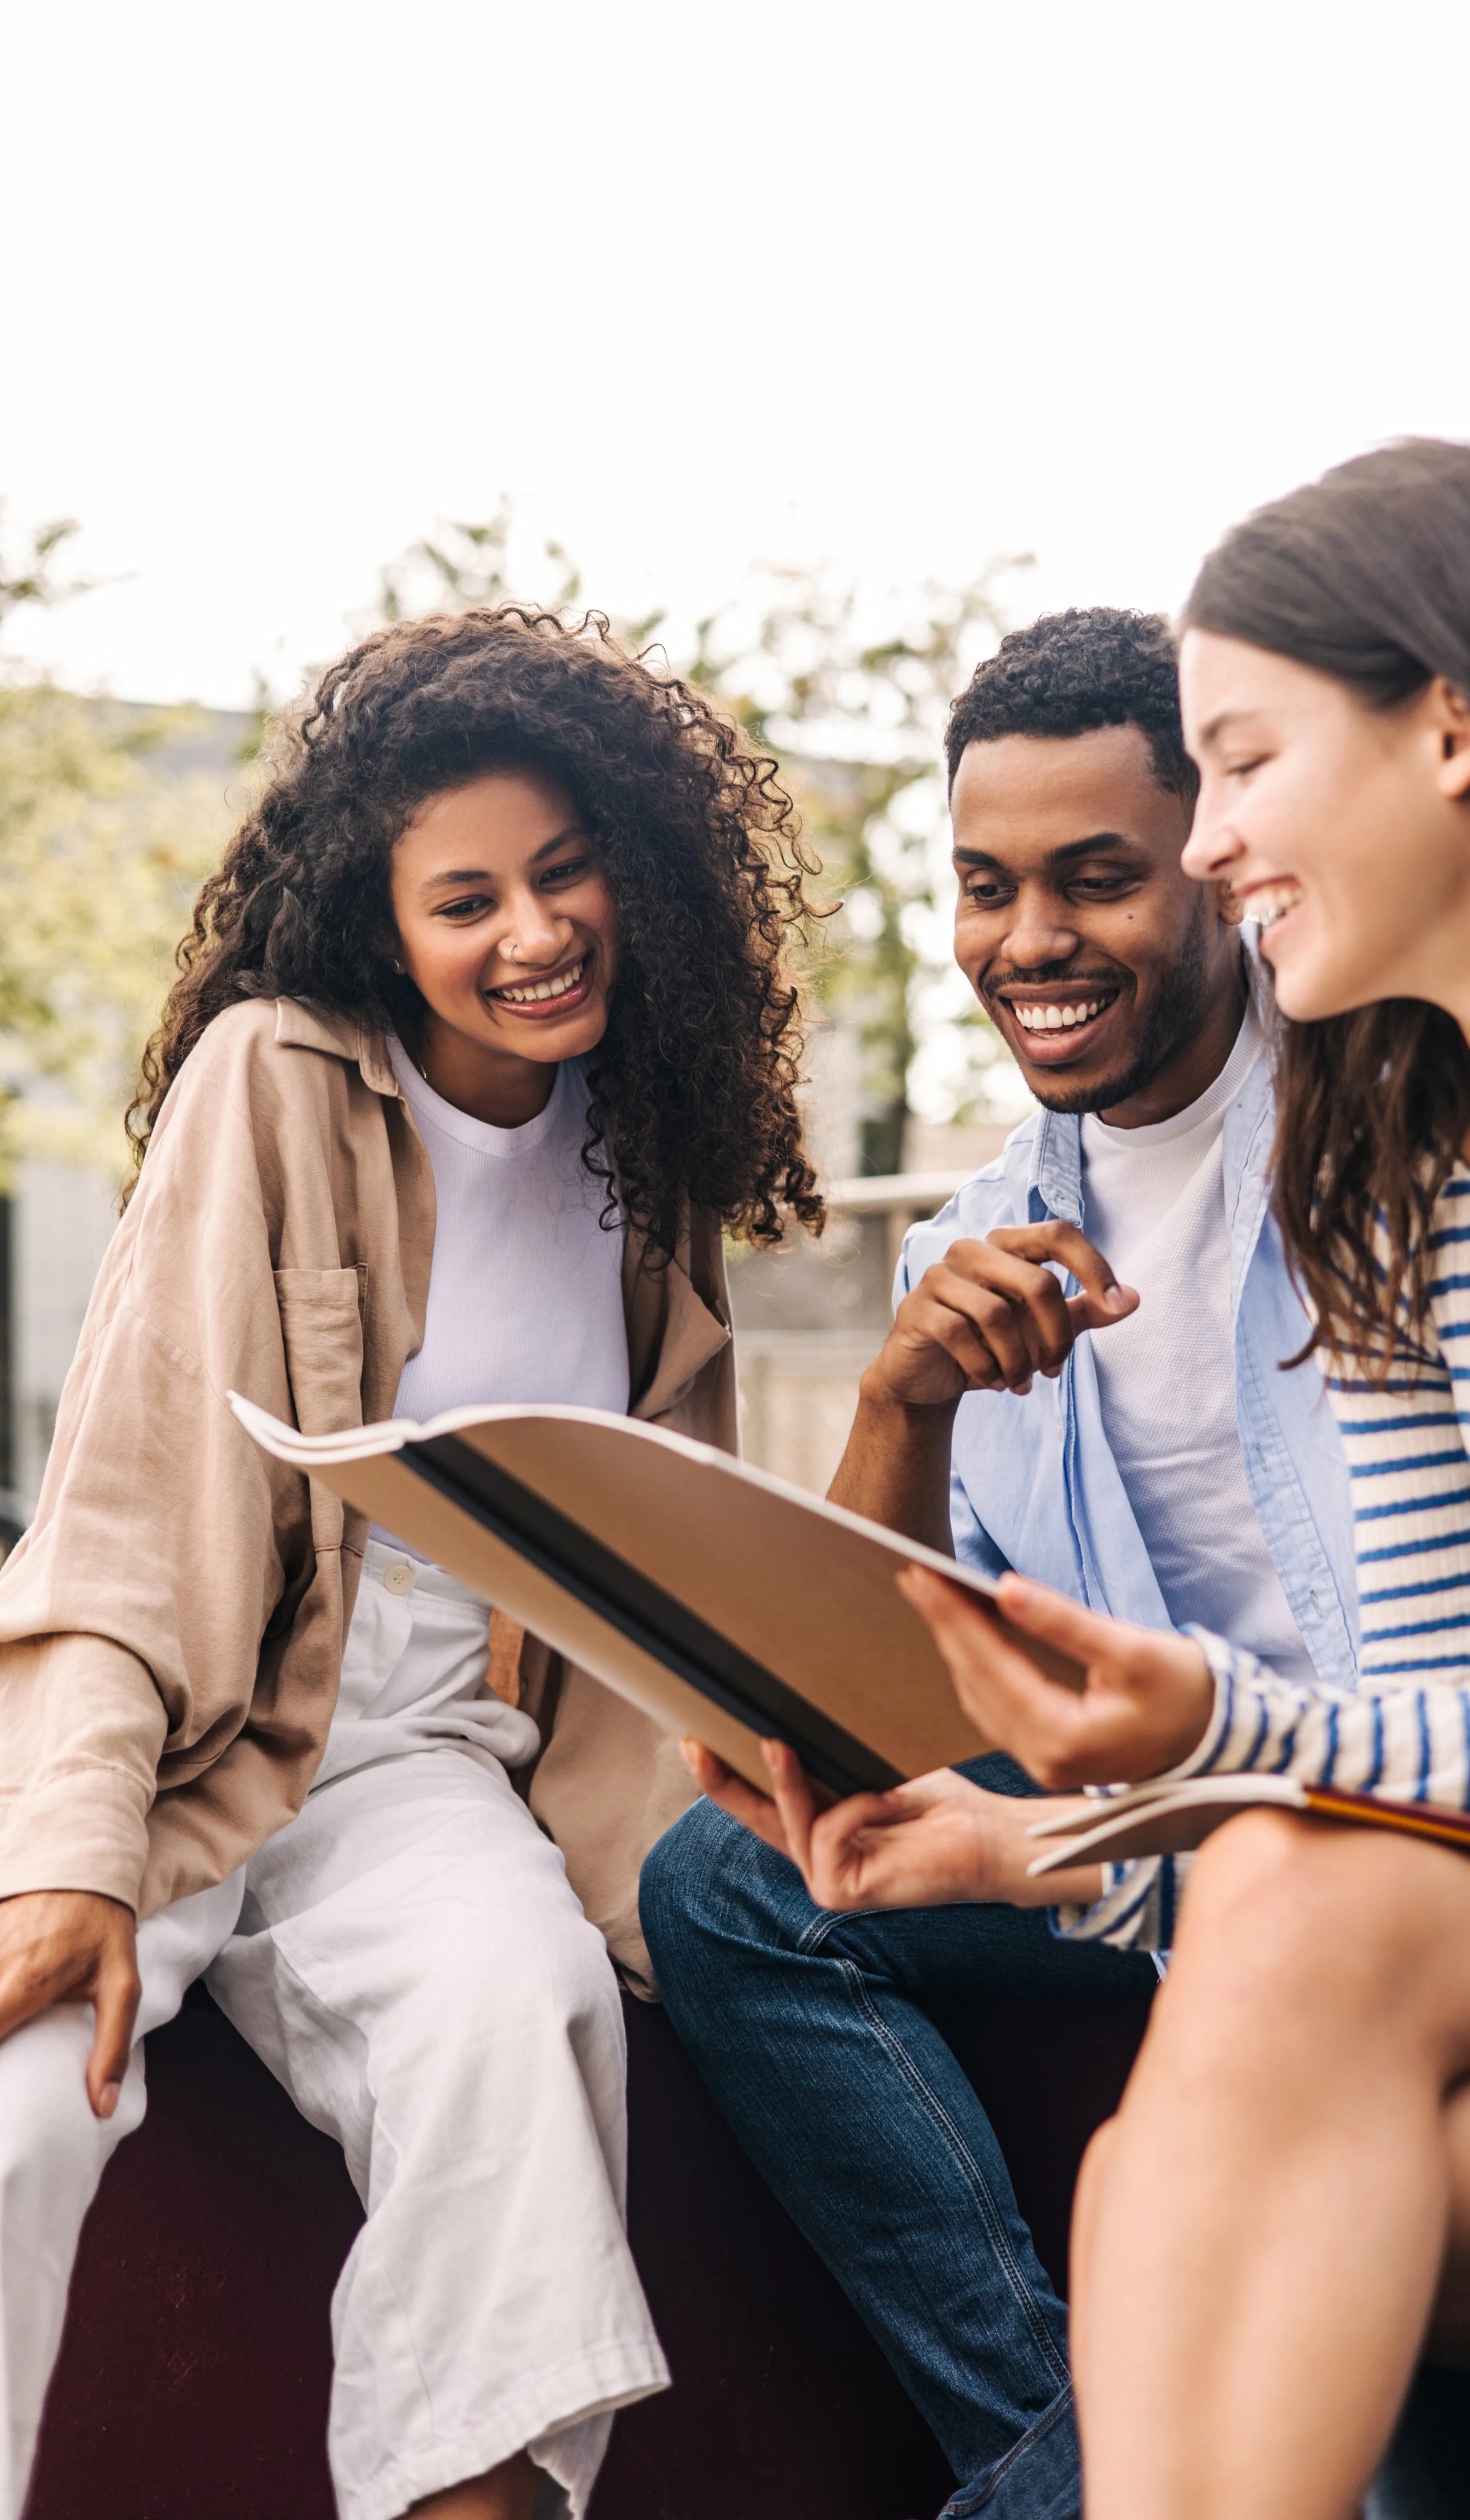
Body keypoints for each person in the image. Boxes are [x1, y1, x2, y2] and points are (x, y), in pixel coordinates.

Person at [742, 443, 1470, 2517]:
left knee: (1304, 2177)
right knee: (1257, 1894)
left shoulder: (1343, 1146)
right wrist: (1068, 1844)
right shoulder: (1406, 1172)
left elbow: (1379, 1739)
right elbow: (1420, 1764)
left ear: (1453, 727)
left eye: (1239, 766)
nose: (1221, 834)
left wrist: (1202, 1743)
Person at [0, 605, 821, 2520]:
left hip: (436, 1747)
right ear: (386, 928)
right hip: (190, 1696)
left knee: (521, 2016)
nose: (532, 934)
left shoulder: (658, 1149)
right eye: (466, 901)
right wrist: (71, 1850)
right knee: (31, 2092)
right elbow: (123, 1509)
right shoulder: (277, 1075)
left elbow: (665, 1560)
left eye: (565, 870)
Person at [640, 607, 1365, 2520]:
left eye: (1094, 880)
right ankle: (1057, 2452)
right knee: (732, 1880)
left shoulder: (1383, 1131)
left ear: (1213, 869)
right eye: (985, 888)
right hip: (1118, 1839)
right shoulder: (982, 1227)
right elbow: (872, 1714)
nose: (1026, 942)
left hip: (1370, 1826)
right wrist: (901, 1402)